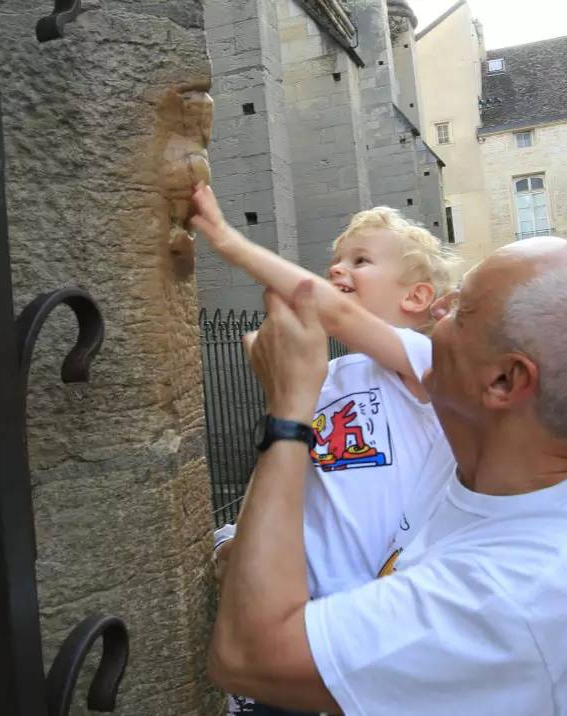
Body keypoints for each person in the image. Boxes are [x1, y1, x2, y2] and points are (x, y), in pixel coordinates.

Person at [208, 238, 567, 714]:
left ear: (504, 381)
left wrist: (286, 411)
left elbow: (246, 654)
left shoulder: (507, 594)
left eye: (461, 311)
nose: (438, 314)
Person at [191, 185, 456, 714]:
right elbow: (300, 479)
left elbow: (327, 308)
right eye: (334, 261)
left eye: (360, 261)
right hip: (304, 620)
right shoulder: (326, 375)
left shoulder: (423, 363)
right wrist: (236, 541)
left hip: (379, 623)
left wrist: (225, 239)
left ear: (416, 298)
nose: (337, 271)